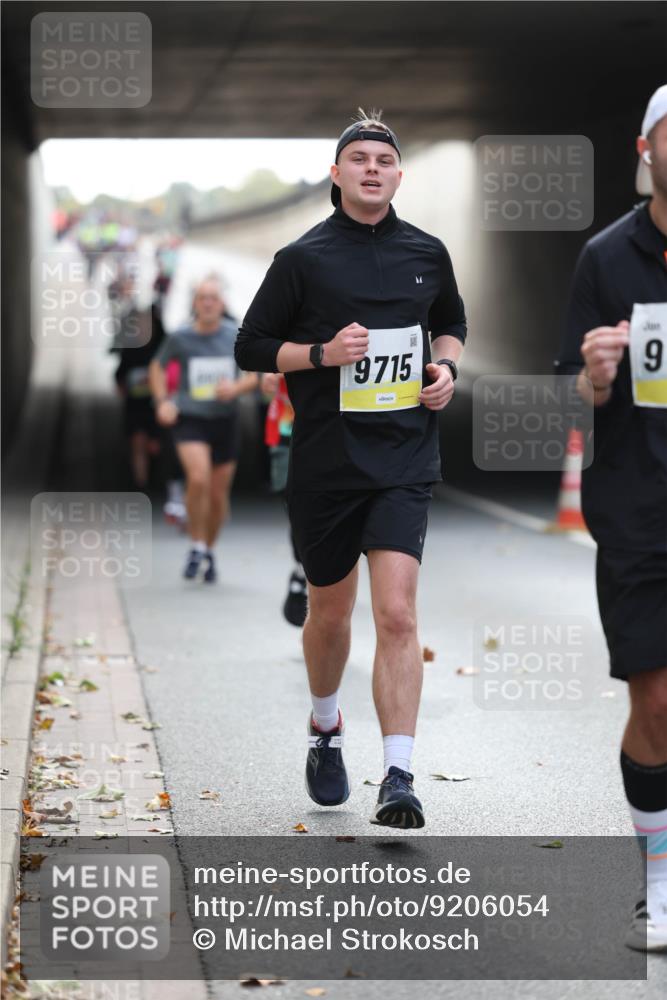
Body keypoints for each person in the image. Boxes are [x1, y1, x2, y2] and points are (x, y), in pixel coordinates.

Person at [236, 109, 466, 829]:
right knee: (329, 615)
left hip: (403, 457)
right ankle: (325, 725)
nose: (372, 169)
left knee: (397, 614)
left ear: (399, 175)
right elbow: (250, 347)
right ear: (336, 175)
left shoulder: (427, 250)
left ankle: (398, 775)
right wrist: (319, 357)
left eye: (384, 160)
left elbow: (452, 323)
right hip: (327, 463)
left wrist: (447, 370)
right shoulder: (301, 260)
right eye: (358, 159)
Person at [557, 85, 667, 951]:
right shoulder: (605, 258)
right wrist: (594, 377)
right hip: (638, 505)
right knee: (658, 703)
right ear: (644, 147)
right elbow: (566, 391)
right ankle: (658, 882)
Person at [150, 275, 258, 583]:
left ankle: (209, 549)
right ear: (195, 304)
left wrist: (235, 389)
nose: (208, 303)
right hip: (191, 419)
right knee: (198, 477)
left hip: (224, 421)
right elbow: (157, 367)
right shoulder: (180, 337)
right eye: (202, 298)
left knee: (217, 494)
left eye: (213, 298)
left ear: (222, 304)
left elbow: (255, 375)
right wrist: (162, 402)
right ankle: (196, 544)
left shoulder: (235, 336)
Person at [261, 372, 308, 626]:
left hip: (329, 434)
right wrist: (267, 374)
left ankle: (312, 574)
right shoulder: (282, 332)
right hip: (286, 431)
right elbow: (257, 354)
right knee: (297, 512)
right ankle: (301, 568)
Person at [113, 302, 166, 489]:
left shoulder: (163, 348)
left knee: (154, 447)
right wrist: (122, 387)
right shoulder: (131, 349)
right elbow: (120, 374)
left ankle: (153, 479)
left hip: (157, 406)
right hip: (135, 406)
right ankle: (141, 484)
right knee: (137, 443)